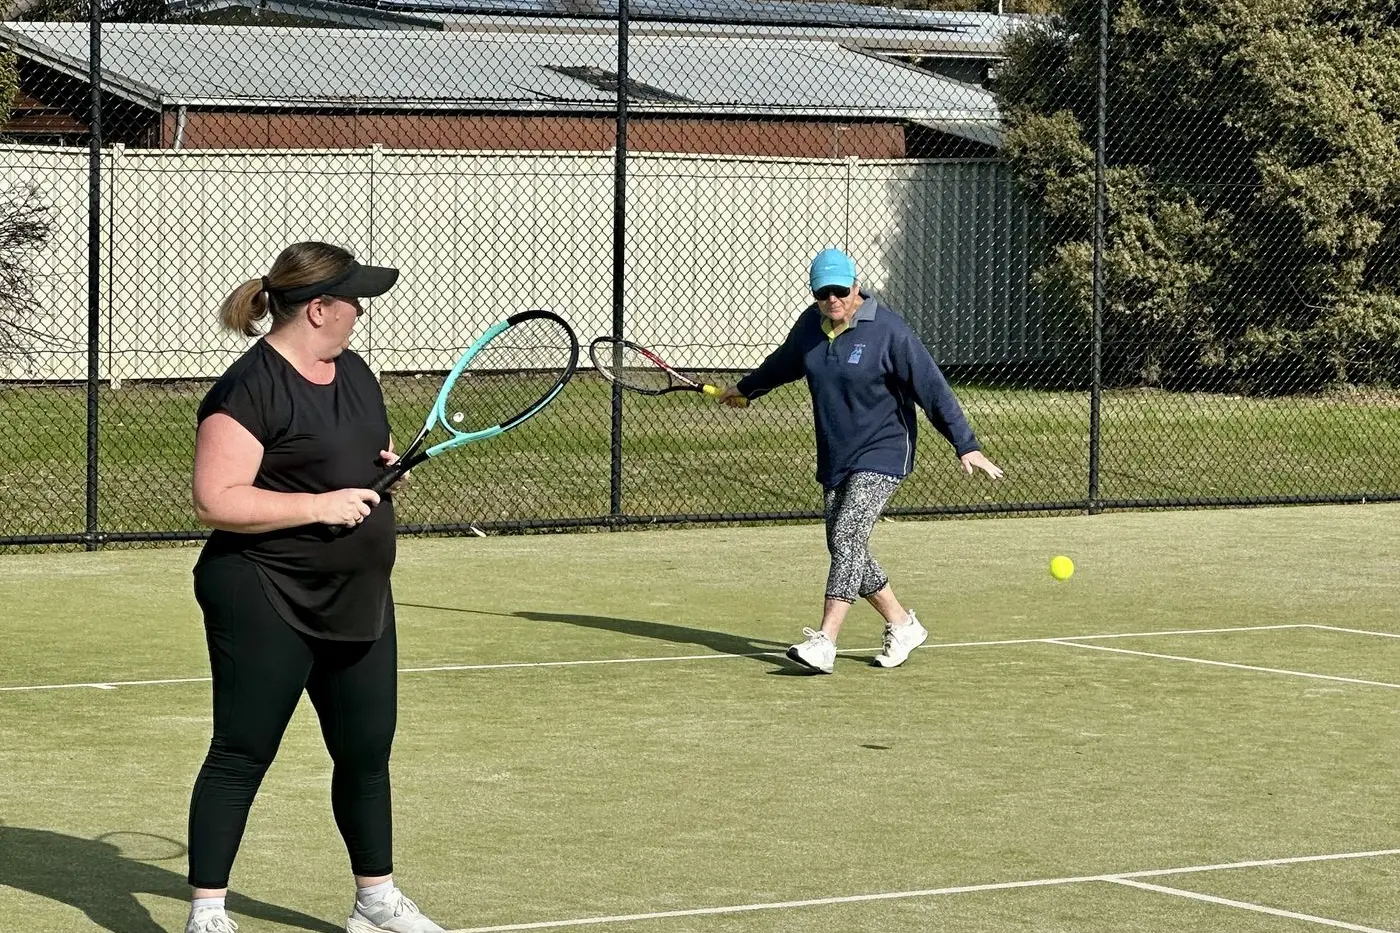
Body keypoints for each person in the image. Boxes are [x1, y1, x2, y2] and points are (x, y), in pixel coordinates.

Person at [187, 242, 446, 933]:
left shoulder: (356, 372)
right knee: (242, 751)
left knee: (366, 752)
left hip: (357, 594)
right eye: (354, 299)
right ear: (320, 308)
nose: (362, 311)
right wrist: (320, 505)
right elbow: (215, 499)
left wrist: (383, 468)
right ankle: (208, 912)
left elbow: (351, 452)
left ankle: (376, 901)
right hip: (263, 591)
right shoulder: (247, 388)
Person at [719, 247, 1003, 674]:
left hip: (885, 450)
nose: (832, 299)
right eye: (822, 293)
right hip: (838, 452)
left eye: (839, 290)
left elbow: (933, 389)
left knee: (849, 530)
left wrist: (966, 444)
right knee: (844, 543)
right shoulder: (810, 329)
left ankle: (825, 642)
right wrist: (745, 389)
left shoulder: (889, 332)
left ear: (856, 286)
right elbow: (783, 363)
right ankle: (902, 623)